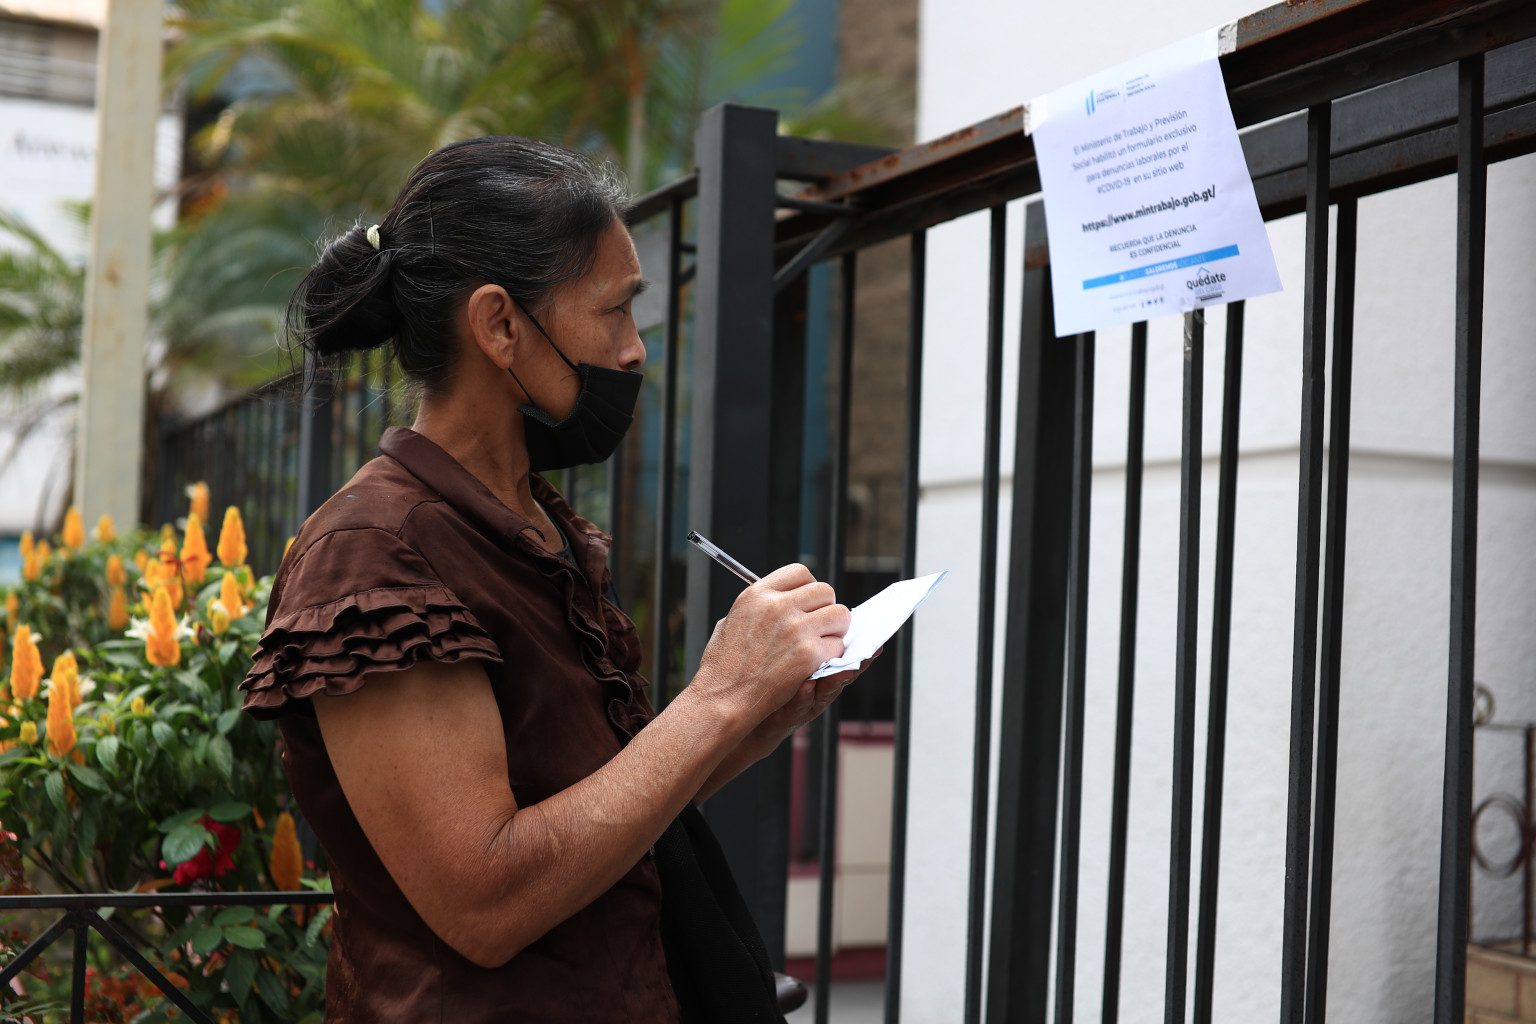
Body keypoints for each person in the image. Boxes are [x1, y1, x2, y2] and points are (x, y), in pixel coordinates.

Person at [238, 136, 872, 1023]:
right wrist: (717, 699)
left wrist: (758, 717)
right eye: (615, 310)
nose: (635, 350)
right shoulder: (376, 555)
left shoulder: (537, 527)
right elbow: (486, 900)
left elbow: (597, 811)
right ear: (499, 325)